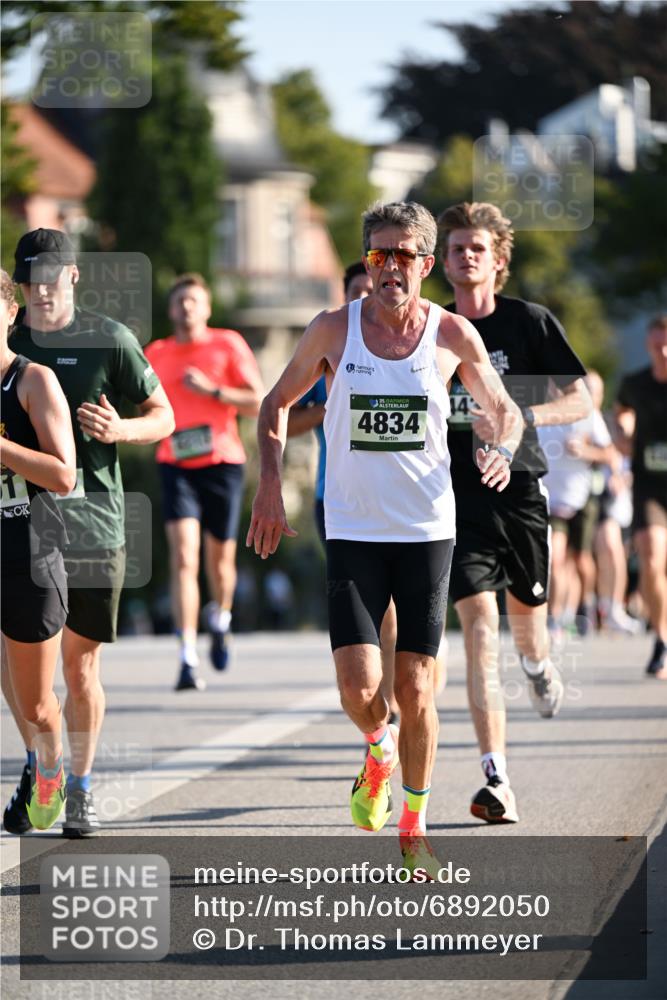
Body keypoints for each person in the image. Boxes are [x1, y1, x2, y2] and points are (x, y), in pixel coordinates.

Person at [247, 201, 522, 876]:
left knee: (417, 687)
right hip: (352, 527)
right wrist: (270, 484)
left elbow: (504, 410)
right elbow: (274, 404)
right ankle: (378, 747)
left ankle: (414, 826)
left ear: (426, 264)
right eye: (379, 254)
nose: (390, 267)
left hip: (426, 529)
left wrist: (502, 447)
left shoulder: (451, 333)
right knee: (356, 684)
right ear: (367, 261)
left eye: (403, 255)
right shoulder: (332, 329)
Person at [2, 228, 174, 837]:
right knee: (16, 667)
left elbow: (164, 416)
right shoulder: (8, 341)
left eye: (50, 279)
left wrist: (122, 429)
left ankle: (78, 786)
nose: (41, 292)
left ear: (73, 276)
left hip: (93, 523)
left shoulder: (110, 339)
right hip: (21, 526)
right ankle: (39, 761)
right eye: (30, 282)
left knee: (79, 669)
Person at [438, 201, 591, 825]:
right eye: (455, 248)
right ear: (443, 262)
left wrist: (523, 415)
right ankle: (496, 777)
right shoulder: (433, 329)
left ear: (498, 259)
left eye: (477, 248)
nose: (466, 256)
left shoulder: (529, 322)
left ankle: (537, 664)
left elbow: (580, 398)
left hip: (522, 491)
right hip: (456, 499)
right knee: (480, 629)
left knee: (528, 628)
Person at [287, 261, 400, 722]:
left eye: (372, 289)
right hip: (334, 498)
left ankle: (391, 699)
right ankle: (371, 691)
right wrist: (330, 407)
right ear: (345, 296)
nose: (366, 298)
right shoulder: (328, 350)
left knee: (392, 607)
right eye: (357, 291)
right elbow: (284, 417)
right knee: (366, 604)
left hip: (398, 498)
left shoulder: (404, 346)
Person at [145, 273, 263, 691]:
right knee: (183, 558)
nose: (186, 308)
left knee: (220, 562)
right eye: (180, 301)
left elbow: (258, 400)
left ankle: (221, 617)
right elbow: (143, 405)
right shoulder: (156, 353)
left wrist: (214, 391)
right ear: (171, 309)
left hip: (222, 463)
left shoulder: (227, 344)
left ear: (207, 308)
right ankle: (186, 656)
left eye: (194, 301)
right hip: (175, 464)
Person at [0, 269, 76, 830]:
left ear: (11, 314)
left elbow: (63, 475)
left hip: (29, 556)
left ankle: (49, 766)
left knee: (36, 704)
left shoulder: (32, 381)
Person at [539, 370, 615, 638]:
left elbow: (610, 454)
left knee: (582, 560)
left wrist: (585, 451)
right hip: (552, 500)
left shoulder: (587, 413)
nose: (555, 387)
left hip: (581, 497)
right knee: (556, 558)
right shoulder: (538, 411)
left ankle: (587, 604)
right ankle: (554, 618)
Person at [615, 316, 667, 678]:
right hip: (649, 485)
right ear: (648, 345)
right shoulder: (634, 383)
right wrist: (623, 432)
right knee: (650, 556)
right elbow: (621, 411)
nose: (662, 352)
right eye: (656, 345)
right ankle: (662, 638)